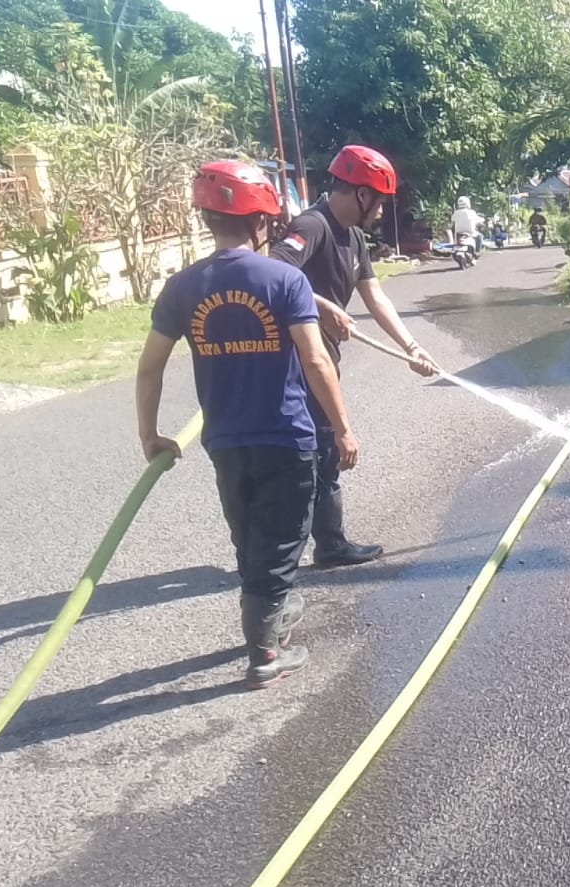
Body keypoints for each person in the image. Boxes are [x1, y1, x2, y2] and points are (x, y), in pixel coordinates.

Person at [136, 160, 359, 688]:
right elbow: (316, 360)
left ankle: (274, 615)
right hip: (286, 437)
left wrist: (150, 434)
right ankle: (263, 655)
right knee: (282, 542)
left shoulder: (182, 286)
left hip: (225, 441)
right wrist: (343, 427)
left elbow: (149, 367)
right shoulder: (284, 280)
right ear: (261, 221)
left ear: (209, 218)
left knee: (252, 536)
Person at [270, 144, 439, 569]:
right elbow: (273, 274)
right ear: (360, 194)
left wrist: (411, 348)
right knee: (322, 449)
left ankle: (321, 542)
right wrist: (323, 307)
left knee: (324, 447)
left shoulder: (354, 237)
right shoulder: (312, 225)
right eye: (378, 199)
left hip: (325, 354)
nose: (382, 210)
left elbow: (375, 296)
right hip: (298, 359)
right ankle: (322, 546)